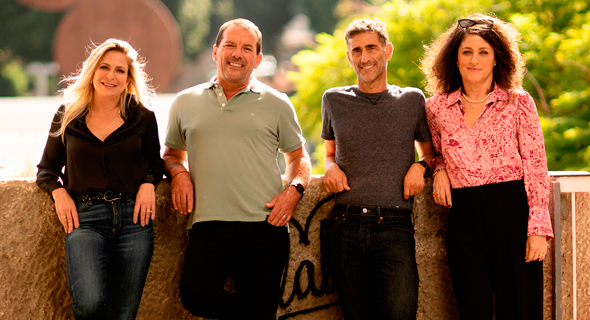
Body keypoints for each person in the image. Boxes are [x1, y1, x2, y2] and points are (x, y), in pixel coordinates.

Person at [163, 18, 311, 320]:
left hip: (265, 226)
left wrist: (293, 191)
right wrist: (179, 173)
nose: (237, 54)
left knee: (261, 308)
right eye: (230, 45)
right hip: (208, 225)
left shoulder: (278, 103)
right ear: (216, 51)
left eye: (247, 48)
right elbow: (172, 154)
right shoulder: (184, 102)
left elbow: (299, 158)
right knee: (195, 297)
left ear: (257, 59)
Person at [421, 14, 554, 319]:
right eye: (466, 52)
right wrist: (439, 169)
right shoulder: (436, 108)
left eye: (484, 52)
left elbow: (536, 165)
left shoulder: (518, 102)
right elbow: (434, 151)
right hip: (463, 219)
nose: (474, 60)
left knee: (520, 309)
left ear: (497, 59)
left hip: (513, 214)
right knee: (472, 310)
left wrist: (537, 228)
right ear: (454, 60)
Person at [36, 39, 164, 319]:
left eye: (120, 70)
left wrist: (147, 183)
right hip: (84, 220)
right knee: (89, 304)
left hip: (135, 221)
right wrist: (59, 194)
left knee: (124, 313)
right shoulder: (68, 116)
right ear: (92, 71)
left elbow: (156, 163)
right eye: (104, 67)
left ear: (129, 78)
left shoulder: (142, 116)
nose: (111, 76)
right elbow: (46, 170)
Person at [321, 18, 434, 320]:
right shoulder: (333, 99)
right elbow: (329, 152)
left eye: (371, 47)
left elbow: (431, 154)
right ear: (349, 57)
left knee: (400, 313)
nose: (364, 57)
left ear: (388, 50)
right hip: (344, 224)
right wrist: (330, 167)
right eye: (356, 50)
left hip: (395, 226)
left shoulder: (411, 100)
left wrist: (419, 166)